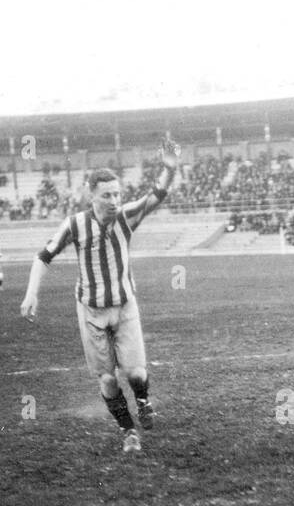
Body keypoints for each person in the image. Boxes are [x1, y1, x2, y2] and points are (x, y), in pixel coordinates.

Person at [20, 142, 179, 454]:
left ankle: (143, 400)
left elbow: (156, 196)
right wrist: (31, 294)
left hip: (124, 305)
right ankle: (128, 431)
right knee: (107, 380)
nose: (114, 201)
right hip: (91, 311)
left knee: (135, 373)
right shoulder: (75, 225)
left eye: (117, 194)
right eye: (107, 195)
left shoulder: (127, 217)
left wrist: (170, 168)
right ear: (90, 195)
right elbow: (43, 257)